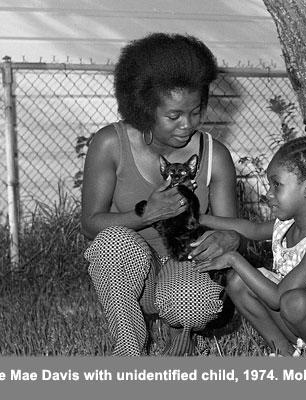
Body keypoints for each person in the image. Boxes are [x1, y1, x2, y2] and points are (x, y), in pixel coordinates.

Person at [80, 32, 240, 356]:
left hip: (186, 264)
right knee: (112, 243)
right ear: (144, 108)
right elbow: (90, 224)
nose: (188, 125)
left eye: (196, 111)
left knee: (191, 304)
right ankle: (130, 351)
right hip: (129, 271)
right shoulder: (110, 144)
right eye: (174, 116)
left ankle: (175, 331)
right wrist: (147, 213)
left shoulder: (215, 155)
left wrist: (230, 238)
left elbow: (232, 229)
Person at [196, 134, 306, 356]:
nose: (268, 194)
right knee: (239, 282)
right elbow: (249, 229)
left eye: (276, 185)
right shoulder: (286, 224)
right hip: (296, 313)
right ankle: (283, 353)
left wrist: (233, 258)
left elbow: (277, 298)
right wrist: (197, 218)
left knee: (293, 301)